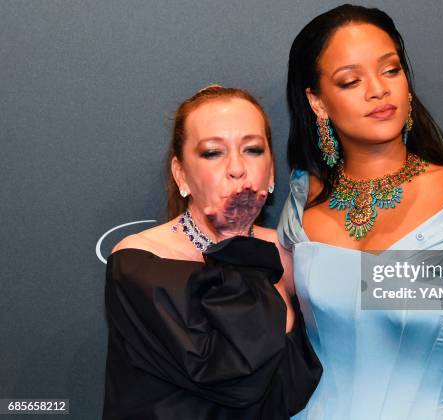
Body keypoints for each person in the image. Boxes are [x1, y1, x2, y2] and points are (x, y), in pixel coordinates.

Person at [278, 4, 443, 419]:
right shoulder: (301, 207)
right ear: (317, 102)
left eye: (390, 70)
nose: (378, 89)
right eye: (351, 80)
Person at [103, 85, 321, 419]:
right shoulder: (139, 263)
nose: (237, 168)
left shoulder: (297, 252)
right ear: (181, 174)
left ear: (272, 170)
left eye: (252, 149)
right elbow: (235, 376)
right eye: (212, 153)